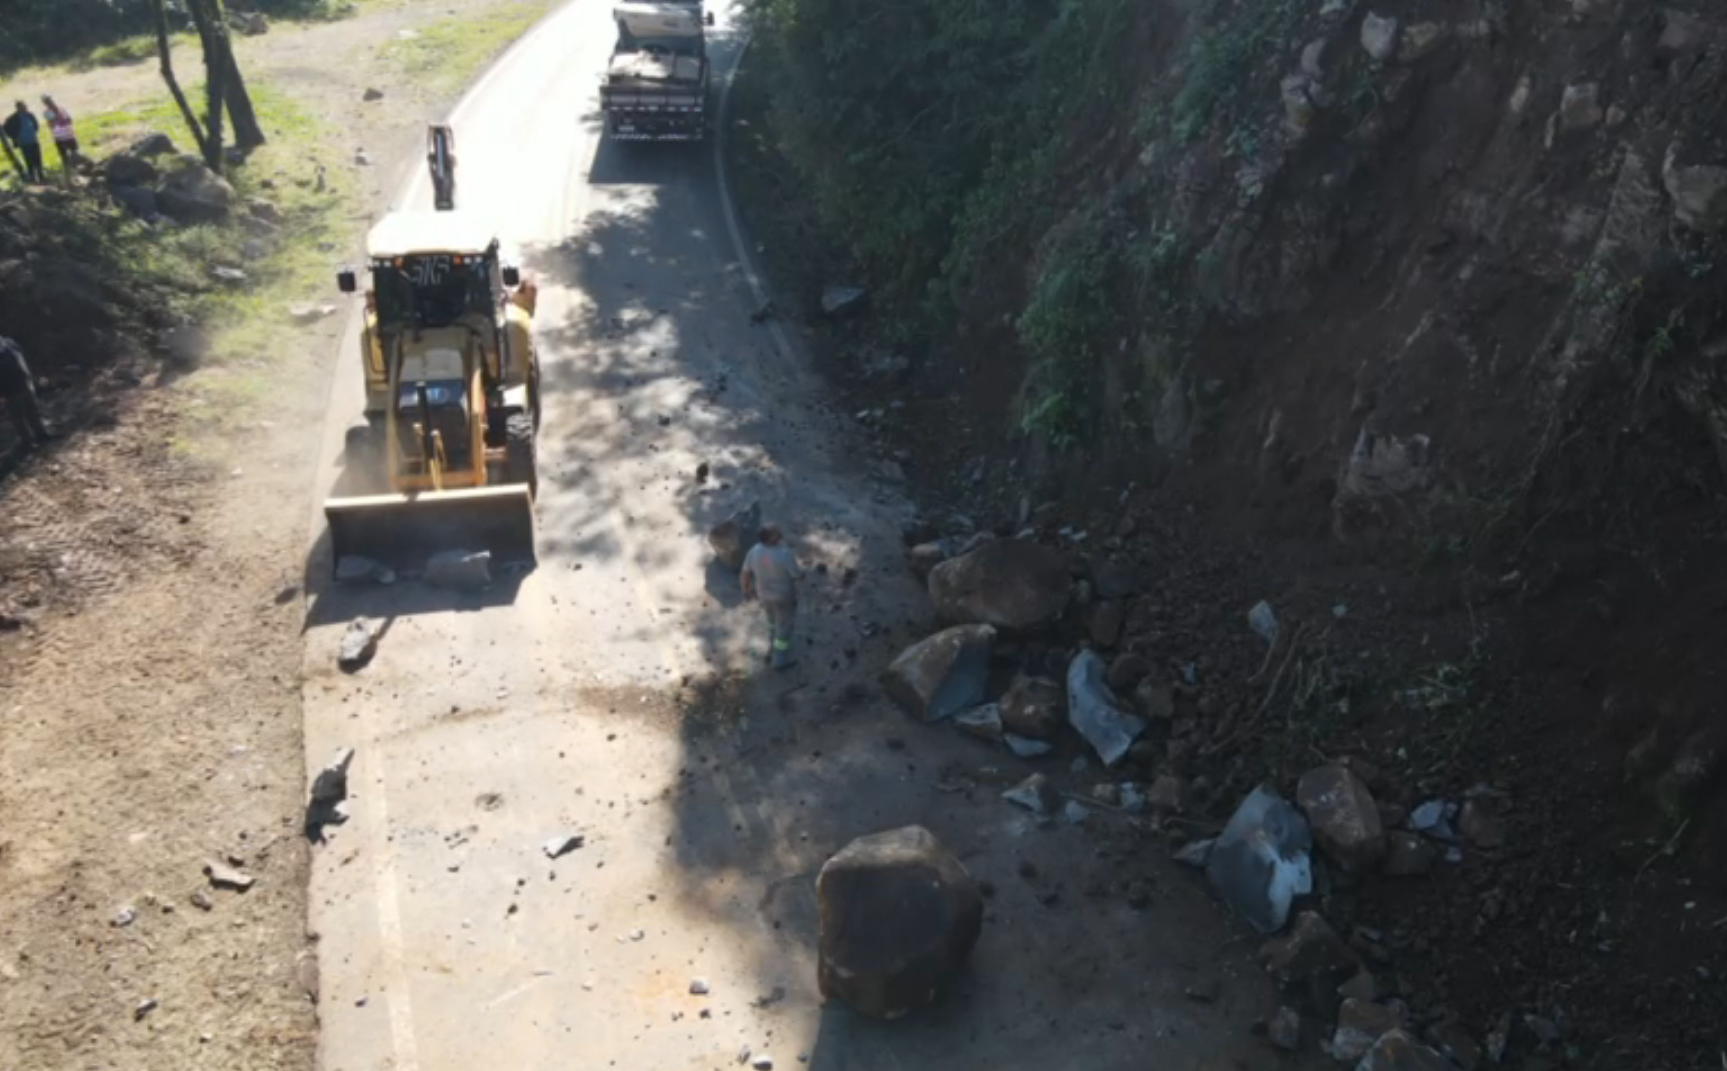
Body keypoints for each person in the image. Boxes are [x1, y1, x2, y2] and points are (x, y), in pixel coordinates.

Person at [740, 523, 801, 669]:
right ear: (772, 538)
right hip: (783, 597)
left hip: (764, 595)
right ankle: (779, 660)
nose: (780, 532)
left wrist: (746, 590)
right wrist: (798, 595)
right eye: (776, 532)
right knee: (784, 627)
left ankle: (772, 641)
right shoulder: (785, 554)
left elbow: (745, 573)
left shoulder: (753, 551)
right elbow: (797, 576)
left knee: (771, 620)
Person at [0, 336, 52, 453]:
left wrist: (29, 377)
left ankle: (41, 435)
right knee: (18, 418)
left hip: (23, 384)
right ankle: (27, 442)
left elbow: (22, 360)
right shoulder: (9, 344)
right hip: (9, 390)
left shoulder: (9, 343)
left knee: (32, 412)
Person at [2, 101, 46, 183]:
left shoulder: (30, 115)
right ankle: (33, 178)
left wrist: (33, 132)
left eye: (25, 106)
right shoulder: (13, 118)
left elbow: (36, 126)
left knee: (38, 160)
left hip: (33, 140)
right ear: (18, 108)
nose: (26, 108)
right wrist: (15, 137)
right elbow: (5, 129)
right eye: (23, 106)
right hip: (24, 143)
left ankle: (41, 177)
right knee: (29, 161)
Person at [40, 95, 79, 174]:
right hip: (59, 137)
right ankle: (70, 173)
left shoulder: (61, 108)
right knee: (64, 157)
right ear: (45, 103)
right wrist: (61, 121)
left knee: (75, 152)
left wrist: (63, 121)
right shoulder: (47, 112)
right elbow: (52, 124)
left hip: (69, 134)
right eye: (47, 101)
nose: (50, 102)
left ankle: (77, 169)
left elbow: (69, 120)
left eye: (50, 100)